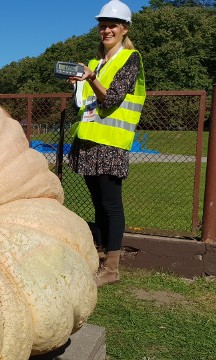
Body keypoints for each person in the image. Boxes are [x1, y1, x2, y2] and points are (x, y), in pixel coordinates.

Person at [67, 0, 146, 286]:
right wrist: (79, 85)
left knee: (111, 205)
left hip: (110, 144)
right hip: (89, 141)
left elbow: (112, 98)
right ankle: (100, 258)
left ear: (124, 29)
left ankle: (112, 268)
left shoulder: (130, 58)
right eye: (103, 25)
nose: (107, 30)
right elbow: (86, 103)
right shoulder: (94, 62)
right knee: (98, 203)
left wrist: (91, 79)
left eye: (112, 25)